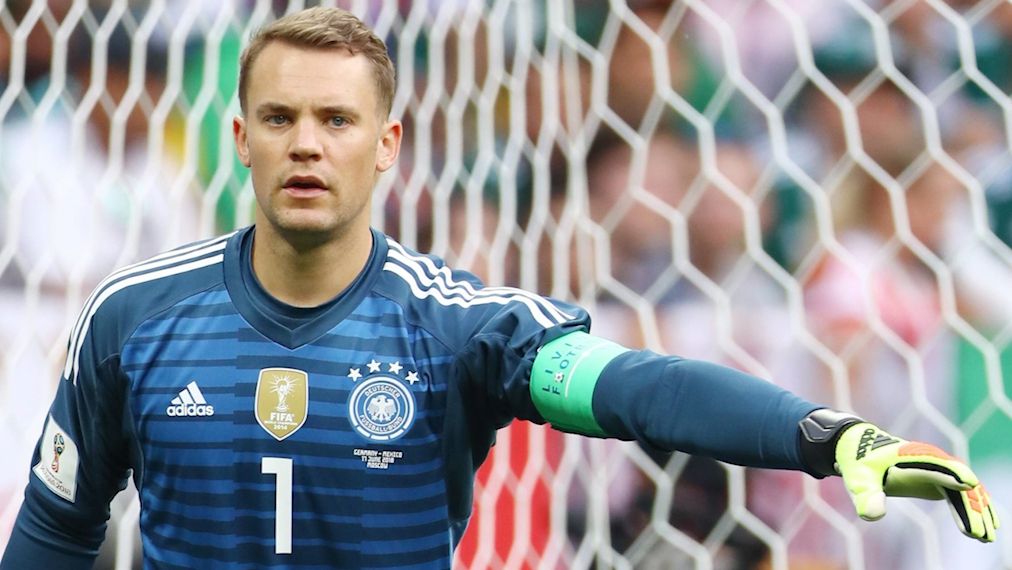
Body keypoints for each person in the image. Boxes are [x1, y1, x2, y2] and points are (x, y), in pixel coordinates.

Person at [0, 7, 998, 569]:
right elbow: (54, 529)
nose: (306, 143)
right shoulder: (132, 319)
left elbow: (636, 388)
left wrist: (823, 436)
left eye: (336, 121)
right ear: (238, 138)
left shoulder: (458, 329)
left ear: (387, 146)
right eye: (279, 118)